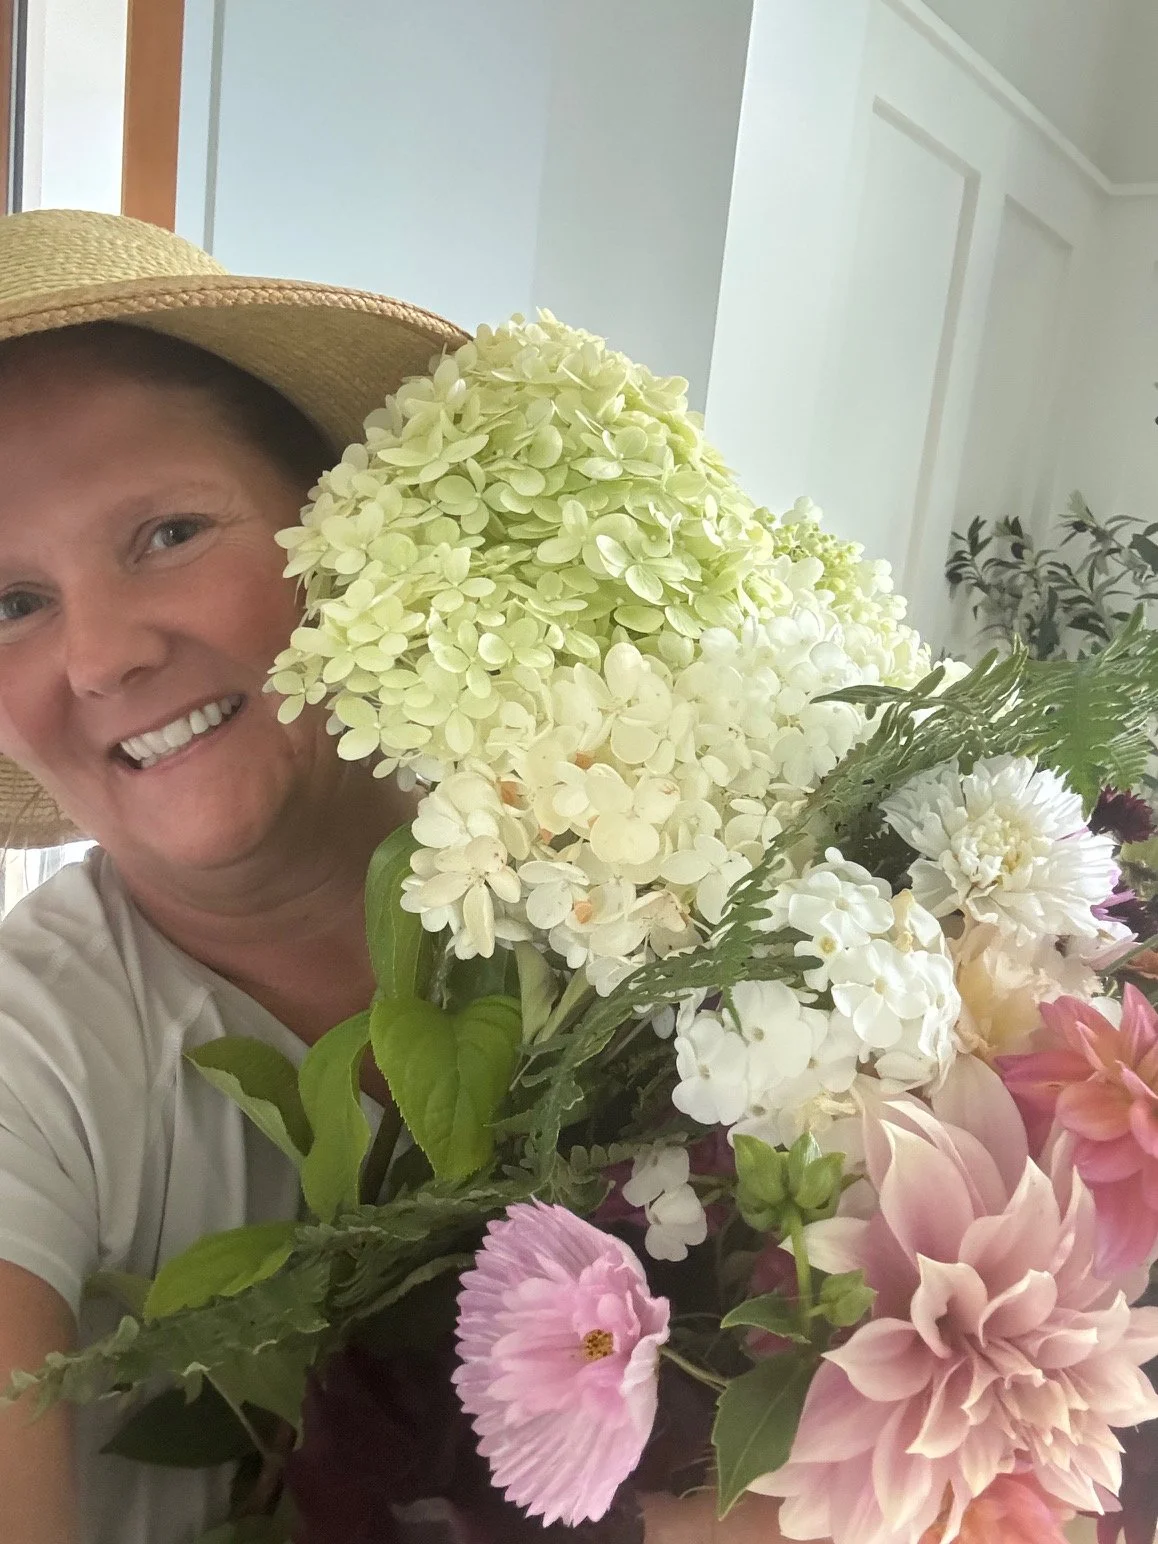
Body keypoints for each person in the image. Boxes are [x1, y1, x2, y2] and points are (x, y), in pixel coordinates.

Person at [0, 211, 790, 1544]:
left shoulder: (652, 865)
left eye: (168, 533)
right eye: (9, 602)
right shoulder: (36, 1049)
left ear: (346, 533)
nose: (105, 656)